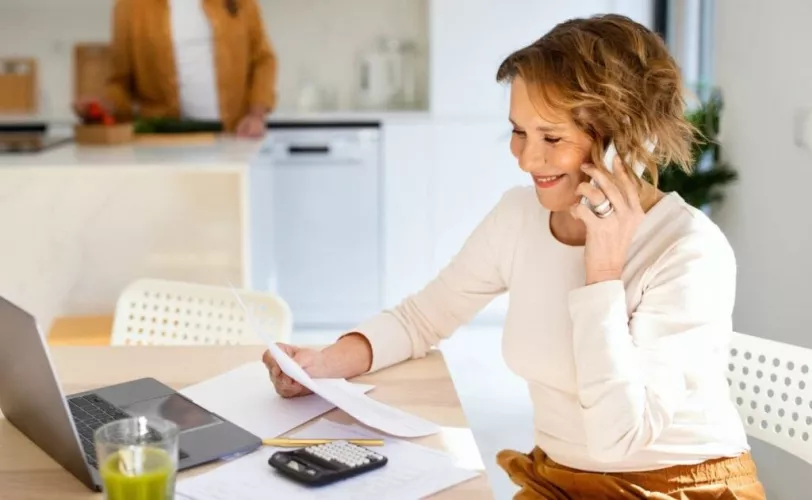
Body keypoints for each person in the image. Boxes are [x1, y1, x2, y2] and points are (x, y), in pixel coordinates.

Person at [262, 14, 765, 499]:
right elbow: (423, 318)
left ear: (622, 142)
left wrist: (603, 273)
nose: (526, 158)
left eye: (552, 138)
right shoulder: (519, 216)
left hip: (676, 488)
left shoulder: (688, 249)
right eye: (519, 131)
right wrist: (322, 365)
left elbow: (620, 437)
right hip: (558, 480)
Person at [74, 0, 277, 138]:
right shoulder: (130, 7)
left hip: (234, 137)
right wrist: (103, 106)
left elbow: (263, 60)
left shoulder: (239, 2)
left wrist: (255, 115)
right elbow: (120, 81)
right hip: (164, 142)